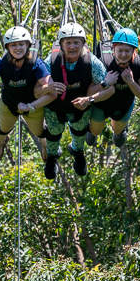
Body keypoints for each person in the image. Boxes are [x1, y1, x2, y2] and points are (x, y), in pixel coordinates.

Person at [0, 26, 52, 161]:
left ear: (28, 45)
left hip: (31, 105)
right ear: (8, 47)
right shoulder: (2, 63)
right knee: (4, 129)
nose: (18, 48)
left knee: (40, 132)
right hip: (8, 104)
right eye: (14, 45)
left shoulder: (35, 63)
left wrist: (51, 87)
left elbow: (47, 81)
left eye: (21, 44)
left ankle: (45, 146)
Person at [42, 22, 107, 179]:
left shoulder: (92, 63)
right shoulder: (51, 61)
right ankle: (51, 157)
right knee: (53, 132)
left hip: (80, 106)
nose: (72, 46)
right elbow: (37, 86)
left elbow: (106, 86)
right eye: (68, 42)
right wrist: (47, 87)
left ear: (83, 43)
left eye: (76, 42)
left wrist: (89, 98)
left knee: (79, 130)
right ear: (61, 44)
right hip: (55, 105)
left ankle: (77, 151)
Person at [85, 27, 140, 148]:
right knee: (95, 131)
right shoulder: (102, 62)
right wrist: (105, 83)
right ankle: (92, 131)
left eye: (128, 51)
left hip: (124, 104)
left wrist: (131, 82)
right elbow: (88, 92)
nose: (124, 55)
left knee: (118, 129)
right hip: (101, 104)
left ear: (134, 51)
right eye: (120, 50)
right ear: (113, 49)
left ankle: (120, 131)